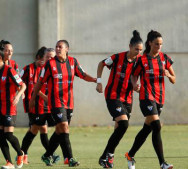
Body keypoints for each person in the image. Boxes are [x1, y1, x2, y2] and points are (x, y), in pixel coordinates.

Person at [30, 40, 97, 167]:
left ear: (67, 49)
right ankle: (70, 158)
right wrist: (33, 99)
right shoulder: (50, 64)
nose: (58, 48)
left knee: (60, 131)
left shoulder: (73, 62)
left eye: (60, 47)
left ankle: (47, 155)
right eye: (56, 47)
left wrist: (94, 80)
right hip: (55, 102)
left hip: (69, 102)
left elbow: (82, 74)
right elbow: (39, 82)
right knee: (64, 127)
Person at [125, 30, 175, 169]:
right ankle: (162, 163)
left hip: (160, 99)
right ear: (150, 43)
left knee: (147, 129)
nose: (159, 47)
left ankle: (130, 155)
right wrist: (135, 84)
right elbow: (133, 75)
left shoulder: (165, 58)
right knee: (157, 126)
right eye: (157, 44)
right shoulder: (141, 59)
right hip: (146, 97)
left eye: (161, 44)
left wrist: (169, 75)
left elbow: (174, 79)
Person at [96, 30, 143, 168]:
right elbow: (101, 64)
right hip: (113, 95)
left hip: (128, 99)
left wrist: (137, 87)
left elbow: (137, 78)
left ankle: (104, 157)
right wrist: (99, 81)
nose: (138, 53)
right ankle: (109, 156)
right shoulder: (117, 58)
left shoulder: (139, 61)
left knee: (119, 129)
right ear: (130, 46)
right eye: (136, 49)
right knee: (123, 124)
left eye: (140, 50)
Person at [19, 47, 59, 164]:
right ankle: (25, 154)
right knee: (38, 129)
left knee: (39, 129)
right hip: (34, 105)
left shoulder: (50, 69)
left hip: (47, 106)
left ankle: (26, 154)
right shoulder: (28, 69)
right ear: (38, 58)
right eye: (45, 58)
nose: (48, 60)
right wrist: (19, 93)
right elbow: (18, 82)